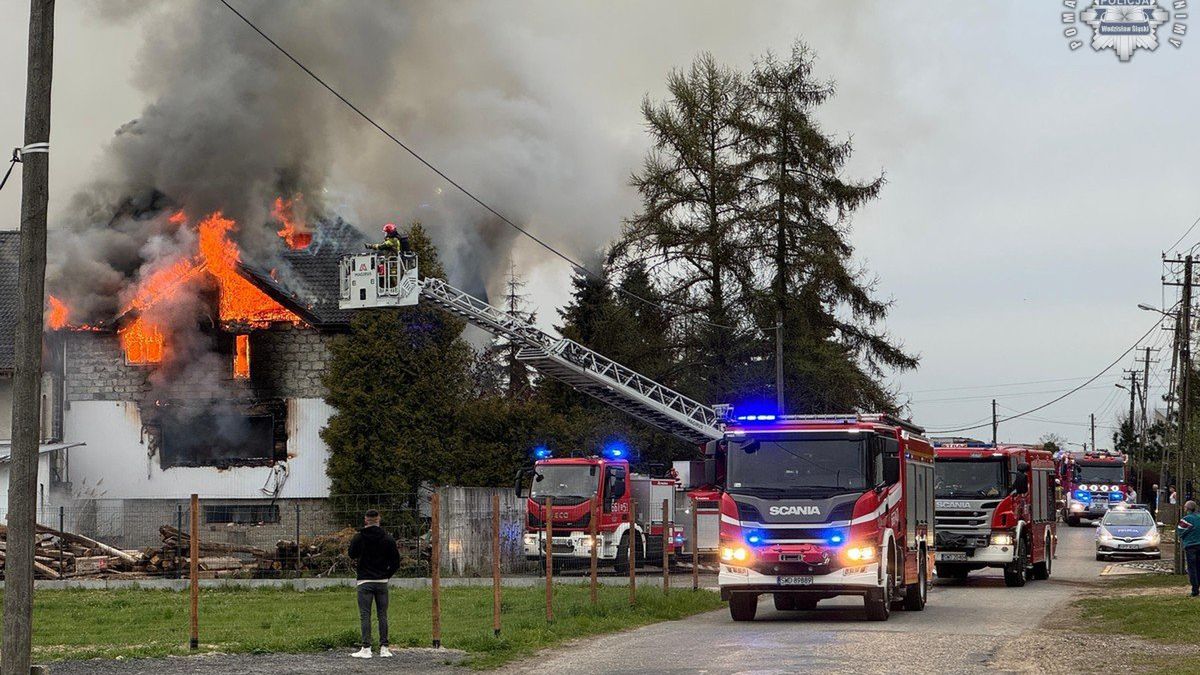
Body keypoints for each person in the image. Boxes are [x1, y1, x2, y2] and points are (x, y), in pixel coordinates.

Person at [348, 509, 400, 659]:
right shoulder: (388, 538)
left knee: (365, 615)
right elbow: (396, 562)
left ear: (366, 520)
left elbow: (352, 554)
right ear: (379, 520)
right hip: (382, 581)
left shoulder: (359, 537)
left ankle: (366, 648)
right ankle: (384, 647)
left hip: (364, 580)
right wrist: (386, 575)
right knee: (382, 615)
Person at [1177, 501, 1200, 597]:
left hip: (1190, 546)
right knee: (1199, 567)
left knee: (1192, 568)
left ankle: (1195, 590)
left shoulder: (1186, 519)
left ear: (1186, 508)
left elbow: (1180, 532)